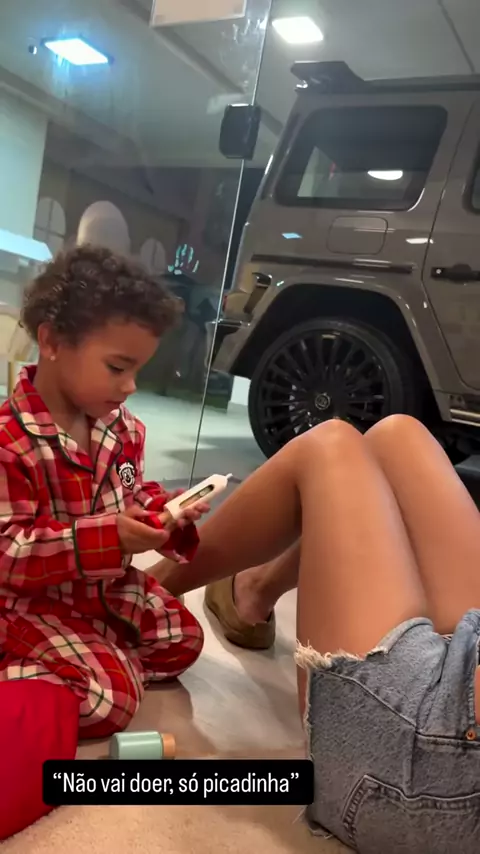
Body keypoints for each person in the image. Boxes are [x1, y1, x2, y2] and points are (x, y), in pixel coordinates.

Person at [155, 414, 480, 852]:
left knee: (329, 448)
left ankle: (134, 597)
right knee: (396, 437)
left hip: (442, 764)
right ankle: (255, 588)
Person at [0, 245, 212, 838]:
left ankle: (83, 651)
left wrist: (163, 513)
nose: (131, 386)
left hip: (101, 590)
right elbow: (9, 553)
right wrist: (108, 536)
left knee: (184, 641)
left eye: (137, 369)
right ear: (51, 341)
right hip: (26, 602)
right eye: (117, 367)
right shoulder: (10, 441)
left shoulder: (122, 430)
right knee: (110, 698)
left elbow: (130, 489)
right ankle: (35, 665)